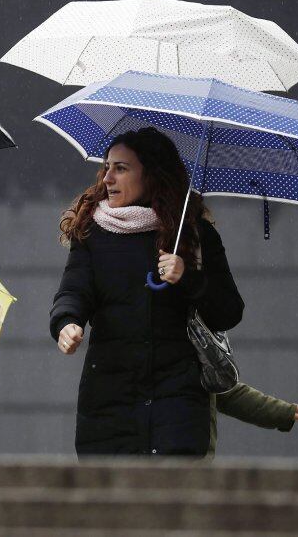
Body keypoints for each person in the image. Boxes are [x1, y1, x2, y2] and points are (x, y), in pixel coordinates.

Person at [51, 127, 244, 457]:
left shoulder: (195, 232)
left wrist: (187, 277)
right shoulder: (92, 232)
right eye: (107, 167)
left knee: (171, 505)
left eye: (121, 169)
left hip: (177, 404)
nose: (108, 178)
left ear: (152, 175)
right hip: (109, 402)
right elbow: (74, 290)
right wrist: (67, 322)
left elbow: (228, 310)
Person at [210, 383, 298, 457]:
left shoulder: (202, 358)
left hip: (199, 467)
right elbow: (230, 395)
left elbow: (230, 395)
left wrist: (285, 411)